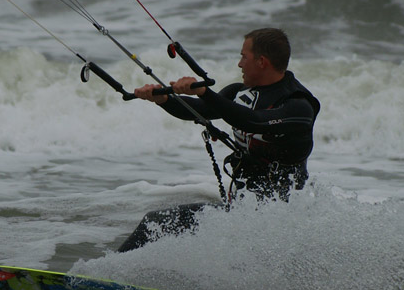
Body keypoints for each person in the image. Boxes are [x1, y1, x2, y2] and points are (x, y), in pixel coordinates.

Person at [117, 27, 320, 252]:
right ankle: (107, 276)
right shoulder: (239, 93)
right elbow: (199, 110)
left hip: (280, 223)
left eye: (244, 57)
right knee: (156, 224)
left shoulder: (298, 105)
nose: (239, 64)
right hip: (241, 213)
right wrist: (165, 99)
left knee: (158, 223)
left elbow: (255, 121)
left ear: (262, 61)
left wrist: (205, 92)